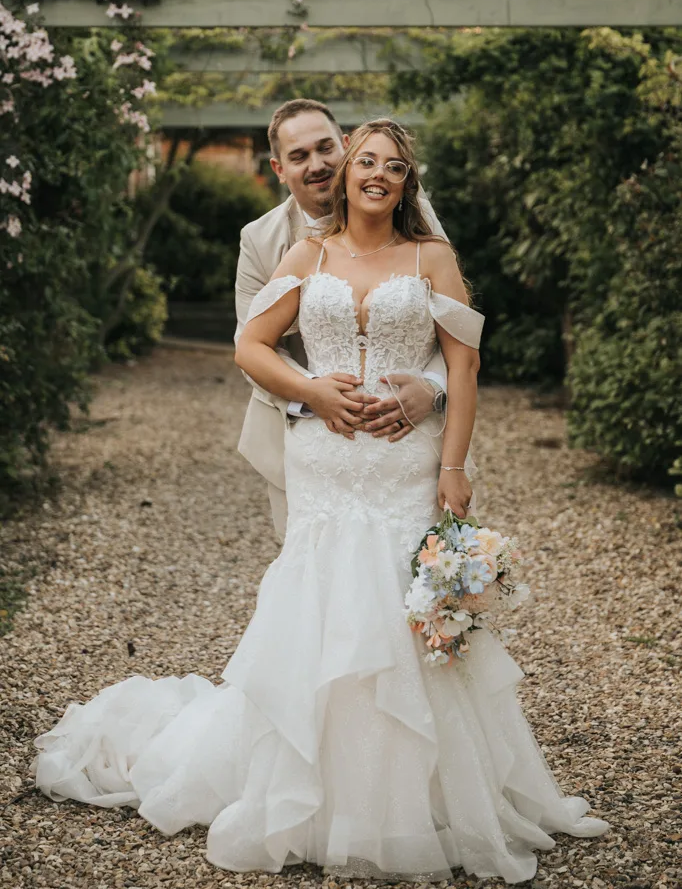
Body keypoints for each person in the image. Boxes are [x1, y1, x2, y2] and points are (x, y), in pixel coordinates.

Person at [32, 118, 609, 884]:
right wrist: (312, 390)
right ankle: (309, 796)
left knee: (404, 614)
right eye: (366, 161)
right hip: (325, 463)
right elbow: (250, 344)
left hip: (404, 462)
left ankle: (423, 801)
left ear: (407, 181)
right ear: (345, 173)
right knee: (321, 612)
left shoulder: (432, 257)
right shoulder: (306, 254)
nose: (377, 174)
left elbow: (464, 365)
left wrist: (452, 463)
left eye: (393, 166)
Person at [235, 98, 451, 540]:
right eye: (299, 156)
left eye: (325, 147)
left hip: (405, 439)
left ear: (347, 146)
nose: (316, 164)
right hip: (307, 438)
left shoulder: (412, 215)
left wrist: (433, 389)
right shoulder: (259, 240)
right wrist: (312, 393)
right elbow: (251, 344)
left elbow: (450, 327)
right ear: (279, 169)